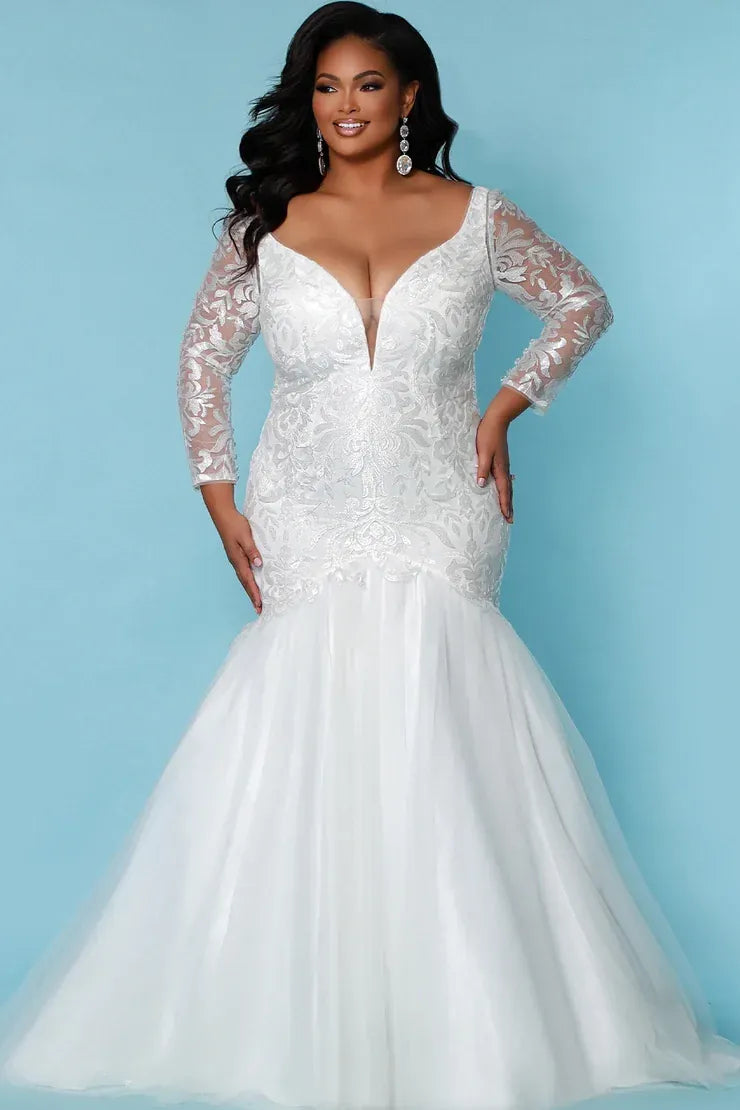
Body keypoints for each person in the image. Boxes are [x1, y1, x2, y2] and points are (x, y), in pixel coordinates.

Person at [1, 4, 740, 1110]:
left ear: (408, 99)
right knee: (305, 716)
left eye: (367, 85)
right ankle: (288, 1011)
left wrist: (506, 405)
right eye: (325, 86)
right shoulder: (263, 226)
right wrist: (218, 497)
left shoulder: (475, 215)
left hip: (442, 501)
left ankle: (470, 1022)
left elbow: (581, 302)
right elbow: (201, 362)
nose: (344, 106)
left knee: (444, 713)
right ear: (308, 102)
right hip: (303, 505)